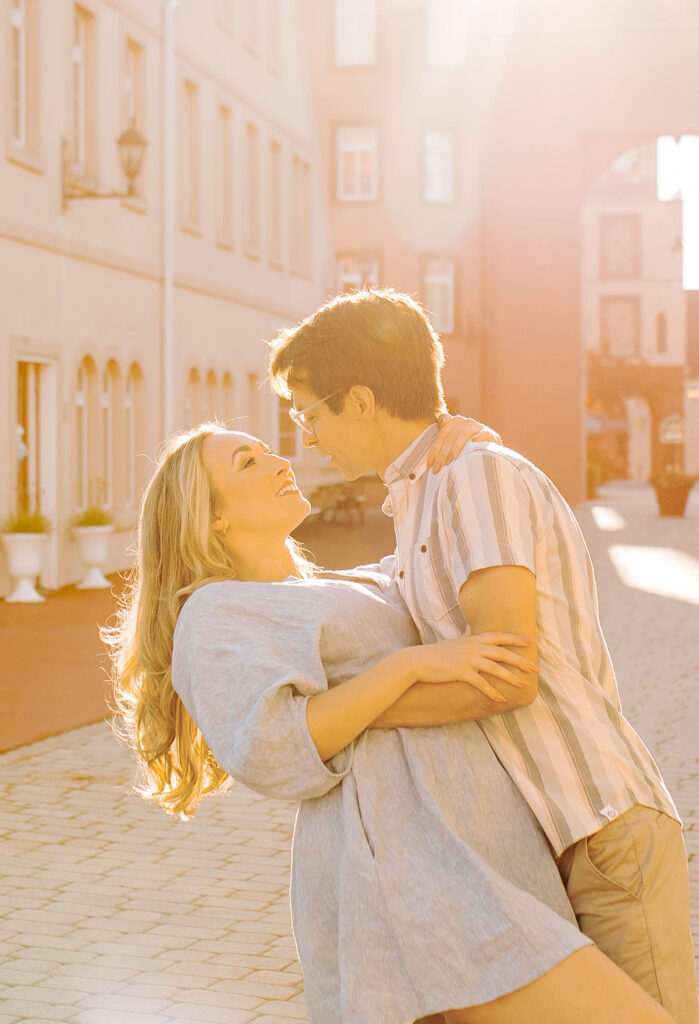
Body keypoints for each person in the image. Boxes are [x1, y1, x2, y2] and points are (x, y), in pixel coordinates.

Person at [107, 419, 672, 1024]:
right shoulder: (216, 610)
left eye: (269, 450)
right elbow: (271, 748)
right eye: (248, 462)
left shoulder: (348, 583)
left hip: (489, 856)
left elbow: (433, 556)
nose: (279, 461)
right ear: (213, 515)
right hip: (410, 869)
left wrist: (460, 440)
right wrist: (407, 666)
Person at [267, 287, 699, 1024]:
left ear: (361, 401)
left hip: (598, 830)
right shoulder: (420, 492)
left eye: (310, 414)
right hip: (533, 849)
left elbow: (507, 675)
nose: (307, 438)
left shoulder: (474, 476)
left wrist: (348, 716)